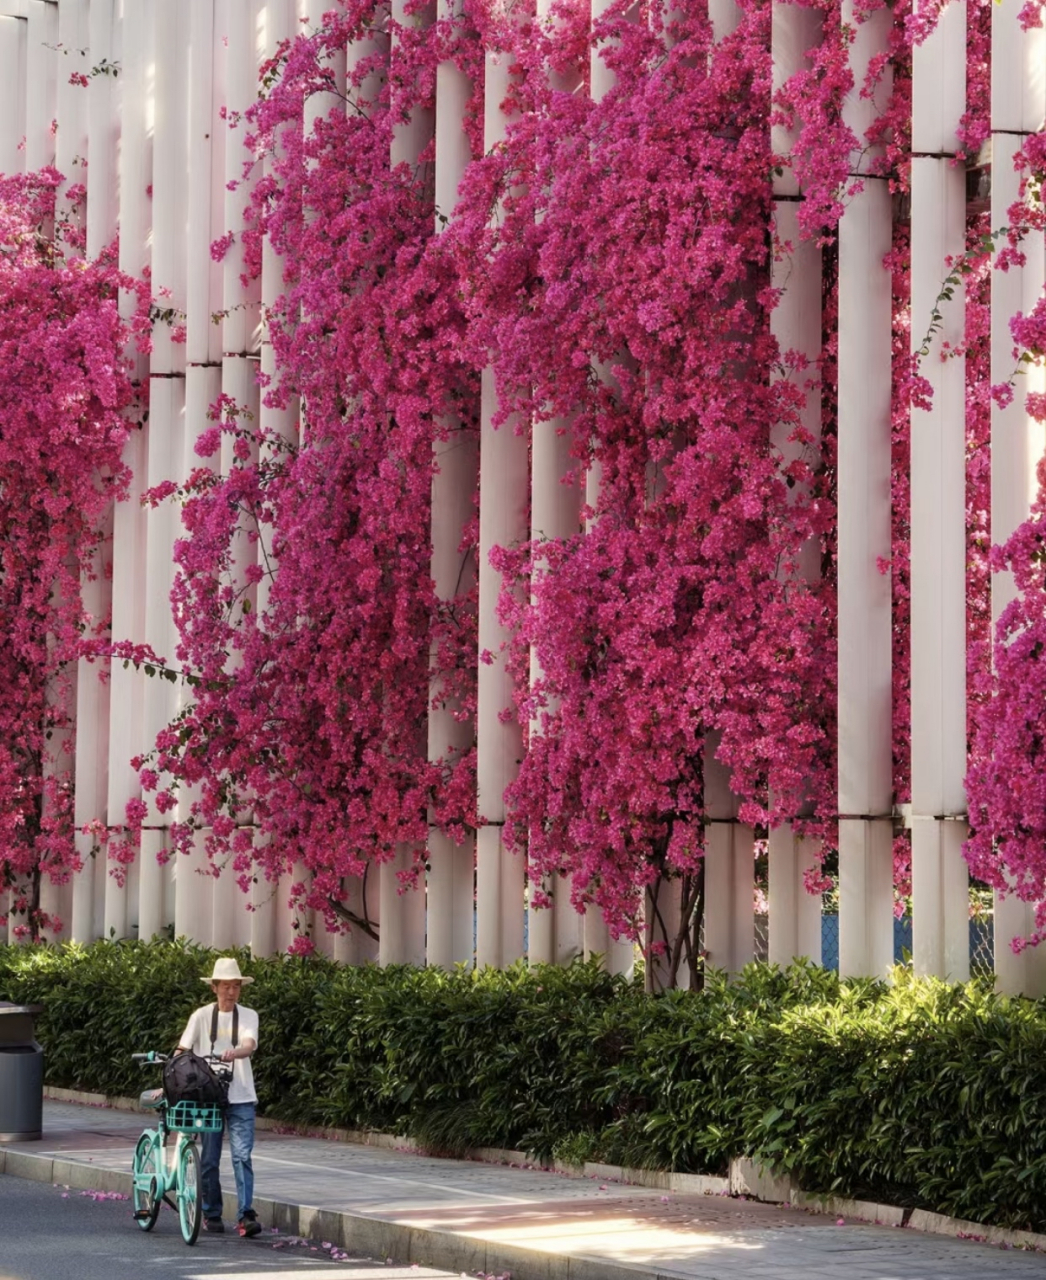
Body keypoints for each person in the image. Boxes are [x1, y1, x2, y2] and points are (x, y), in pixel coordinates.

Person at [177, 956, 262, 1237]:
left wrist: (235, 1052)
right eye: (225, 985)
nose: (231, 991)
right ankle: (211, 1212)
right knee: (210, 1158)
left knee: (242, 1156)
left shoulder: (248, 1015)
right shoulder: (201, 1016)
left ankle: (245, 1215)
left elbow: (248, 1045)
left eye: (236, 986)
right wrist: (169, 1078)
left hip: (241, 1095)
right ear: (214, 987)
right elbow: (182, 1050)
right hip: (208, 1096)